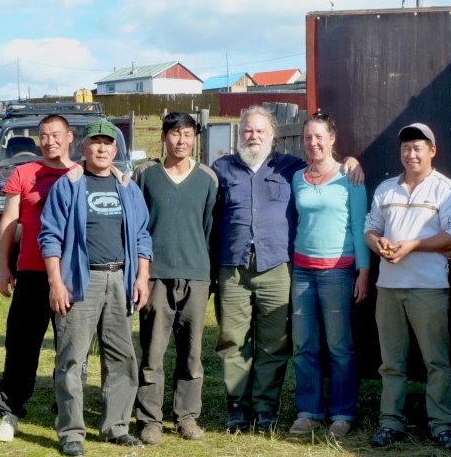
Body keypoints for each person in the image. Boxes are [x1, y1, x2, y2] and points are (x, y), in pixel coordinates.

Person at [211, 105, 363, 432]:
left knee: (274, 341)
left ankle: (265, 407)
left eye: (260, 131)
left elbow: (328, 166)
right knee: (233, 339)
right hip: (233, 264)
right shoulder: (222, 168)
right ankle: (238, 406)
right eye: (248, 131)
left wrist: (351, 160)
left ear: (273, 136)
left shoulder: (289, 168)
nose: (253, 136)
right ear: (240, 135)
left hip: (277, 266)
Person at [39, 120, 152, 457]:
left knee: (121, 356)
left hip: (120, 279)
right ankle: (72, 432)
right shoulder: (68, 185)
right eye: (95, 143)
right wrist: (56, 282)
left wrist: (142, 276)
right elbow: (50, 236)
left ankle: (116, 427)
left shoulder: (128, 186)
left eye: (108, 143)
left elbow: (143, 234)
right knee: (72, 358)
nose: (102, 149)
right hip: (79, 280)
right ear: (83, 148)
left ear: (116, 150)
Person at [364, 123, 451, 450]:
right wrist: (378, 243)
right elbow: (370, 229)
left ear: (432, 151)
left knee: (436, 361)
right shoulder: (385, 189)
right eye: (406, 148)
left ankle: (442, 424)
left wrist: (414, 245)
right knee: (391, 362)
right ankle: (391, 421)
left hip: (429, 288)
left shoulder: (446, 189)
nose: (411, 154)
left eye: (418, 147)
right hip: (389, 288)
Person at [133, 112, 218, 444]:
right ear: (163, 136)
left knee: (192, 353)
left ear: (195, 137)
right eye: (174, 134)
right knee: (153, 353)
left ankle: (186, 416)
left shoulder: (208, 178)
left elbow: (211, 230)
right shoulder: (146, 175)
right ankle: (150, 419)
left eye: (187, 134)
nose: (181, 141)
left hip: (196, 276)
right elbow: (137, 225)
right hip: (156, 277)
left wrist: (207, 275)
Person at [0, 114, 77, 443]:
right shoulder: (24, 173)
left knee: (71, 350)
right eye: (43, 136)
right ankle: (9, 411)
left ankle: (66, 413)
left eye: (56, 134)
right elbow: (9, 223)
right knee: (21, 346)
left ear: (69, 136)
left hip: (73, 277)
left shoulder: (82, 174)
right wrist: (3, 266)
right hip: (31, 273)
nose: (49, 141)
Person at [287, 114, 369, 438]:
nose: (313, 143)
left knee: (339, 345)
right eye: (308, 137)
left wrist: (364, 272)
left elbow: (360, 227)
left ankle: (343, 413)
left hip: (338, 271)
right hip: (302, 270)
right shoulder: (297, 178)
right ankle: (309, 412)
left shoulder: (351, 176)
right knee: (303, 343)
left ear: (332, 139)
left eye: (319, 137)